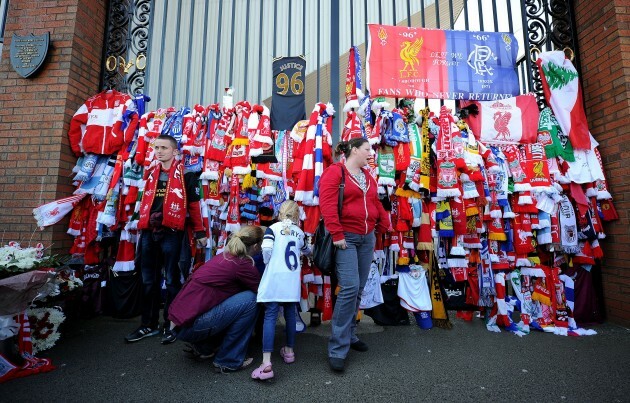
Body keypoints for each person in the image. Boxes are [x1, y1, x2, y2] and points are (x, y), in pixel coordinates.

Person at [125, 134, 207, 344]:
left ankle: (171, 324)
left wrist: (200, 233)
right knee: (148, 281)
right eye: (156, 148)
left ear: (175, 151)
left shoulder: (188, 175)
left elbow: (194, 206)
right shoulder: (151, 173)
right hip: (149, 233)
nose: (159, 151)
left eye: (163, 148)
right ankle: (148, 325)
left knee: (172, 281)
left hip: (172, 233)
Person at [318, 137, 390, 372]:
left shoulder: (367, 176)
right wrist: (337, 234)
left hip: (366, 237)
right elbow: (327, 205)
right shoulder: (334, 172)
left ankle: (349, 335)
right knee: (349, 287)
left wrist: (383, 222)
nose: (370, 153)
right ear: (354, 150)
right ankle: (337, 348)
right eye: (367, 149)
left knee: (358, 288)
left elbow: (374, 203)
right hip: (345, 238)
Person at [168, 225, 265, 373]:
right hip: (189, 326)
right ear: (256, 246)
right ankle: (229, 360)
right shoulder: (243, 264)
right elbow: (261, 293)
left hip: (179, 323)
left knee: (236, 302)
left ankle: (204, 347)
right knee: (251, 300)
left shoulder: (225, 256)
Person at [251, 201, 310, 381]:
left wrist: (269, 261)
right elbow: (307, 251)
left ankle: (266, 361)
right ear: (296, 215)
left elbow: (266, 249)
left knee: (270, 315)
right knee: (290, 314)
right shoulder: (300, 233)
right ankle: (290, 351)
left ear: (280, 212)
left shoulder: (273, 229)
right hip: (291, 279)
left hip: (275, 277)